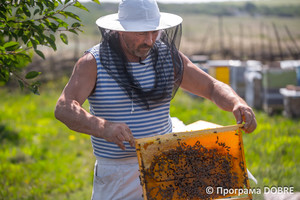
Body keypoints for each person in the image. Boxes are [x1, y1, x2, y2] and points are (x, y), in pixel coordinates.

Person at [54, 0, 257, 199]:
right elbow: (64, 107)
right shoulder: (92, 63)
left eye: (154, 31)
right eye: (141, 33)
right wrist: (103, 127)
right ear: (120, 30)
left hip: (165, 163)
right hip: (118, 174)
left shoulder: (167, 56)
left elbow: (211, 86)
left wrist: (237, 103)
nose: (149, 40)